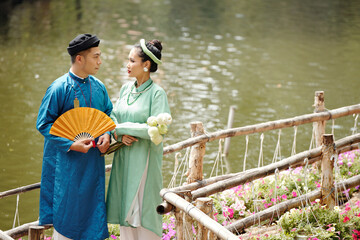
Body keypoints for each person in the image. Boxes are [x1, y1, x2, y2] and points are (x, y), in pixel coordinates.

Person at [36, 33, 112, 240]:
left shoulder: (99, 87)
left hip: (93, 164)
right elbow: (43, 123)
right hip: (67, 166)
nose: (100, 61)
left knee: (92, 215)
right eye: (95, 56)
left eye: (99, 55)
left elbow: (108, 114)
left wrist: (107, 134)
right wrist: (70, 144)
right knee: (67, 217)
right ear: (80, 58)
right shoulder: (59, 88)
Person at [106, 39, 171, 240]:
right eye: (128, 60)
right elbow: (113, 117)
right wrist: (118, 134)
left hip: (144, 159)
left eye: (132, 60)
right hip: (124, 155)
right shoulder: (126, 89)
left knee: (142, 210)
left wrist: (120, 128)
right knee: (125, 208)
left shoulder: (157, 94)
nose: (127, 65)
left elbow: (155, 130)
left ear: (146, 65)